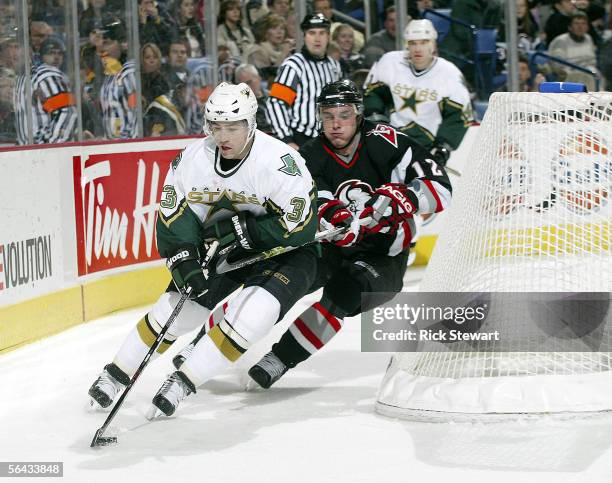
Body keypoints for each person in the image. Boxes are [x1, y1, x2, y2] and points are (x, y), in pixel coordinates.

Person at [177, 80, 452, 389]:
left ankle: (279, 359)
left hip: (384, 255)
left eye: (344, 114)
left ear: (359, 115)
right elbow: (304, 203)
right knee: (272, 286)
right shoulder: (308, 155)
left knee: (344, 295)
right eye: (328, 115)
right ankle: (203, 344)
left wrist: (407, 198)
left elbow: (441, 188)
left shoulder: (387, 142)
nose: (336, 124)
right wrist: (328, 213)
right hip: (328, 248)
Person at [88, 82, 319, 417]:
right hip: (224, 248)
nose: (223, 135)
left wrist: (244, 230)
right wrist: (184, 258)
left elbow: (301, 226)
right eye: (216, 126)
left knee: (255, 314)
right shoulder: (193, 159)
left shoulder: (280, 162)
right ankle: (115, 374)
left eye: (233, 127)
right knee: (176, 311)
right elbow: (174, 214)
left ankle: (183, 381)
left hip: (285, 253)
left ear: (251, 123)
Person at [364, 19, 472, 164]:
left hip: (426, 149)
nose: (417, 48)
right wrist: (375, 116)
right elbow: (372, 92)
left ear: (433, 45)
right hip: (389, 142)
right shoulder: (390, 62)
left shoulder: (449, 73)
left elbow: (459, 116)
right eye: (413, 43)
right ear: (406, 44)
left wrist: (443, 147)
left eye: (423, 42)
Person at [265, 13, 341, 149]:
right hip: (301, 139)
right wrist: (287, 139)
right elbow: (276, 103)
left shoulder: (334, 66)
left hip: (330, 139)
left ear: (328, 37)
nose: (317, 38)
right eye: (312, 33)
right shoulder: (293, 65)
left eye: (322, 33)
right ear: (304, 37)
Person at [14, 36, 77, 145]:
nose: (56, 57)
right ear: (41, 55)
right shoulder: (22, 78)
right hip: (30, 152)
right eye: (51, 53)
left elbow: (67, 112)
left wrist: (51, 145)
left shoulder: (47, 76)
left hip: (44, 152)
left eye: (60, 53)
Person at [98, 19, 138, 139]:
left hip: (128, 147)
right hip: (113, 146)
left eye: (107, 43)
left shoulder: (130, 72)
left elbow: (136, 115)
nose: (102, 48)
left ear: (123, 44)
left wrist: (130, 146)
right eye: (100, 44)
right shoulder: (110, 74)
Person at [548, 11, 599, 91]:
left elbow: (592, 61)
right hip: (568, 76)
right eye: (576, 23)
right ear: (570, 27)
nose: (580, 27)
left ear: (587, 27)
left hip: (588, 72)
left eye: (583, 24)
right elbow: (557, 65)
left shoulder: (588, 38)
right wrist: (574, 72)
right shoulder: (561, 41)